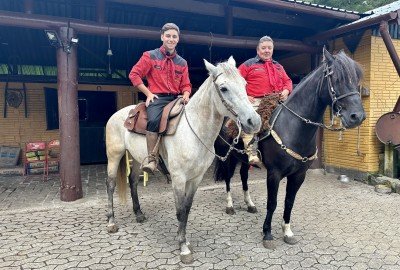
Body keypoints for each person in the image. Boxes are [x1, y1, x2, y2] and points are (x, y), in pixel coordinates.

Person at [129, 23, 191, 174]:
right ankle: (152, 159)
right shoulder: (150, 56)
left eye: (174, 36)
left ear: (178, 39)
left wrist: (186, 94)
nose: (171, 39)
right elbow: (134, 74)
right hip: (158, 98)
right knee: (154, 121)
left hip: (176, 99)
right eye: (168, 36)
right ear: (162, 37)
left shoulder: (182, 62)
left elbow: (186, 84)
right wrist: (148, 93)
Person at [238, 35, 292, 166]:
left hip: (276, 100)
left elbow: (288, 81)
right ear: (258, 50)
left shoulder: (278, 66)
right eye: (263, 48)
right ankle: (251, 152)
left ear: (272, 50)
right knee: (250, 121)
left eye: (269, 48)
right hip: (255, 101)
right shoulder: (248, 64)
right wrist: (245, 96)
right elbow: (235, 81)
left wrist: (286, 91)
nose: (267, 50)